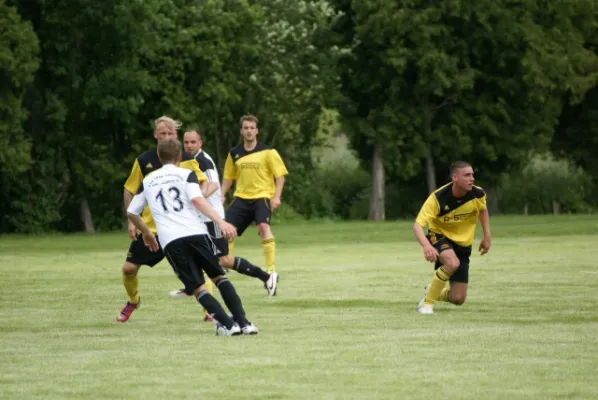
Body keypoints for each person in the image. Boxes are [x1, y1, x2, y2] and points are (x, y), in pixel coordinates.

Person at [127, 138, 258, 336]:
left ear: (159, 157)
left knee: (198, 288)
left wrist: (146, 233)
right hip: (196, 233)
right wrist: (221, 221)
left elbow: (131, 212)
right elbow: (197, 200)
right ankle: (244, 323)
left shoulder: (147, 180)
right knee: (219, 277)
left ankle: (228, 326)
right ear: (179, 157)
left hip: (171, 241)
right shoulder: (186, 174)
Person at [117, 116, 209, 323]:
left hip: (180, 227)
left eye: (170, 134)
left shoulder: (186, 159)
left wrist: (197, 204)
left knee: (197, 268)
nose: (166, 137)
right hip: (151, 230)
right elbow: (129, 189)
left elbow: (202, 184)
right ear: (155, 135)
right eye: (162, 133)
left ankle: (208, 311)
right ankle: (133, 301)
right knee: (129, 269)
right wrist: (132, 220)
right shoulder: (144, 160)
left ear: (176, 136)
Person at [169, 128, 279, 297]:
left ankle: (266, 277)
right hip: (196, 218)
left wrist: (196, 198)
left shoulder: (203, 160)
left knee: (223, 260)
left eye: (193, 142)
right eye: (186, 142)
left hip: (210, 218)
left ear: (200, 143)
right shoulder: (185, 159)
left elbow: (213, 184)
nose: (189, 145)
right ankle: (192, 288)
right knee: (188, 252)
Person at [412, 161, 492, 315]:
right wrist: (427, 246)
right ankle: (427, 305)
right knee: (452, 263)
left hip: (463, 244)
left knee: (458, 299)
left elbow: (482, 210)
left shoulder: (478, 193)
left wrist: (487, 235)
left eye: (472, 175)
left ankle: (431, 292)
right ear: (454, 177)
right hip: (439, 236)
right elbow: (417, 226)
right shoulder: (438, 198)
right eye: (467, 175)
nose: (472, 179)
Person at [221, 115, 288, 276]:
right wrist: (222, 194)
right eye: (246, 128)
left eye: (252, 128)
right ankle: (224, 262)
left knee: (264, 227)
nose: (249, 131)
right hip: (241, 198)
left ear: (256, 131)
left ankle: (271, 269)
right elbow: (229, 177)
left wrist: (276, 197)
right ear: (241, 131)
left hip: (262, 197)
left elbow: (280, 176)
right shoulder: (234, 153)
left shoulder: (268, 152)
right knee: (226, 230)